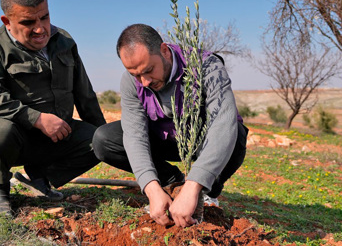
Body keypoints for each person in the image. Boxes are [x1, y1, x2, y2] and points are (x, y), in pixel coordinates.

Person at [0, 0, 106, 215]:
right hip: (13, 137)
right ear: (7, 22)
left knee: (101, 140)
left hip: (56, 137)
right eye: (28, 22)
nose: (41, 29)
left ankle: (40, 178)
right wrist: (37, 119)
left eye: (45, 17)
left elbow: (85, 96)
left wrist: (109, 138)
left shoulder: (64, 42)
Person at [93, 23, 247, 227]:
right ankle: (172, 183)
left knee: (234, 133)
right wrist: (151, 187)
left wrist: (193, 187)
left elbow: (223, 123)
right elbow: (134, 135)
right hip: (164, 140)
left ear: (164, 51)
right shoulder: (132, 81)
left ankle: (206, 191)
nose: (144, 81)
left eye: (149, 70)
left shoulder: (206, 66)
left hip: (202, 142)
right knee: (104, 139)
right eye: (135, 75)